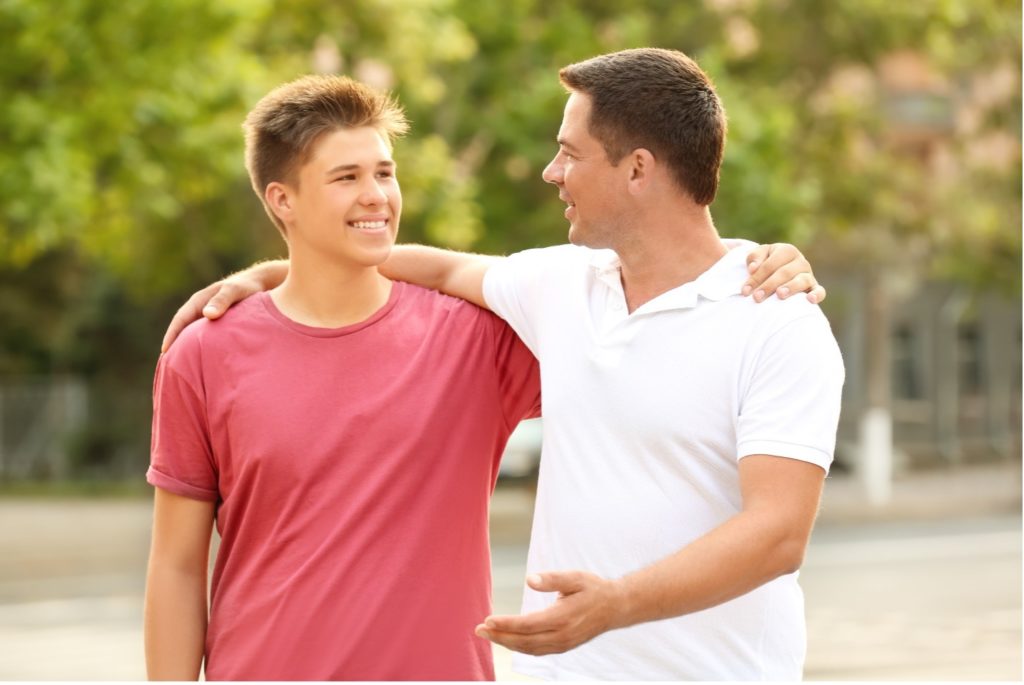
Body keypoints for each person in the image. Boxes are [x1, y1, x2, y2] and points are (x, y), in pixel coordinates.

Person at [158, 53, 837, 681]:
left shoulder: (774, 318)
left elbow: (777, 533)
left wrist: (615, 602)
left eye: (569, 153)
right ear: (283, 199)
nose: (551, 171)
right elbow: (447, 265)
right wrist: (279, 270)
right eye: (347, 177)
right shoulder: (562, 289)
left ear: (636, 169)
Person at [144, 75, 544, 680]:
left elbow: (615, 312)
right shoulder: (204, 352)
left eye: (384, 172)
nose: (376, 195)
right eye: (346, 177)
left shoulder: (477, 340)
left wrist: (738, 261)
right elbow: (176, 565)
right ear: (282, 200)